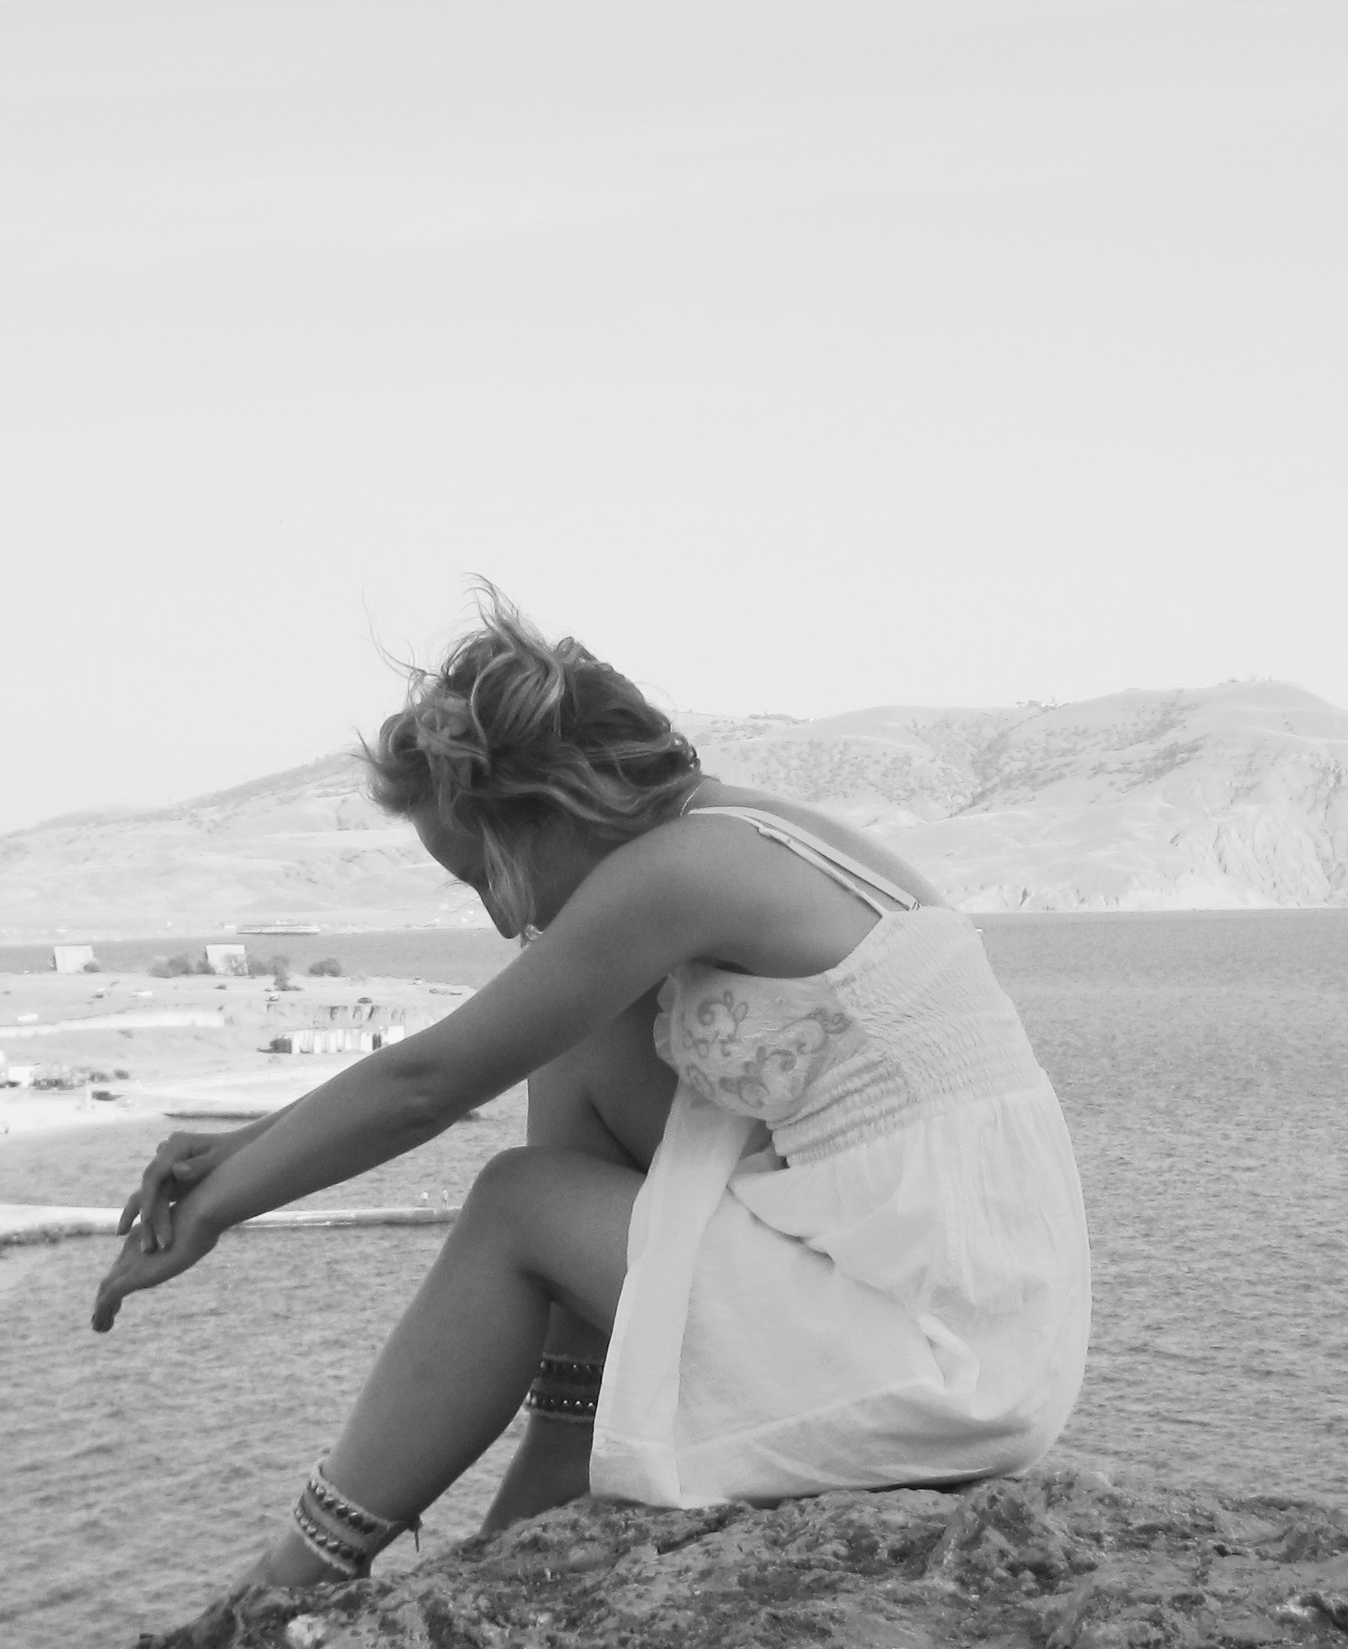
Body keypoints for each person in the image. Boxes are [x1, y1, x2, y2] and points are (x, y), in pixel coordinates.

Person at [91, 591, 1093, 1592]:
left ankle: (306, 1562)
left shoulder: (685, 869)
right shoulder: (749, 827)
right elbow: (470, 1052)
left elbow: (426, 1085)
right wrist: (241, 1145)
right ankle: (566, 1439)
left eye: (484, 869)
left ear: (546, 806)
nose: (499, 916)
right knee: (580, 1043)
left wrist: (216, 1207)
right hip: (955, 1315)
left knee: (515, 1200)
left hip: (939, 1358)